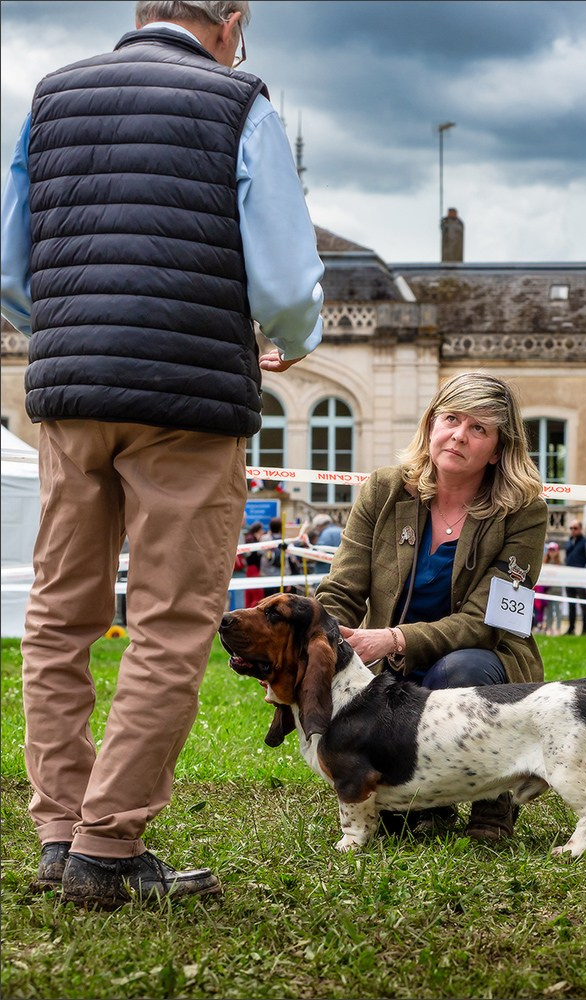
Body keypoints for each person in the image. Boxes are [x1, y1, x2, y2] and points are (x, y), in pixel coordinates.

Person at [0, 0, 323, 908]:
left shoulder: (49, 97)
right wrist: (292, 339)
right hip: (187, 396)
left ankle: (60, 832)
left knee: (59, 618)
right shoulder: (239, 101)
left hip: (71, 394)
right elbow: (288, 280)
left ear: (141, 13)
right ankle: (107, 848)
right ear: (230, 20)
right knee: (170, 623)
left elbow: (11, 271)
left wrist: (66, 329)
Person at [316, 371, 547, 841]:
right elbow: (341, 591)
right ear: (430, 425)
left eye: (478, 428)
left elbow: (493, 619)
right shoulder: (384, 490)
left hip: (480, 663)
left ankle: (491, 806)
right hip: (390, 678)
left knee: (460, 671)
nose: (459, 435)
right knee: (400, 826)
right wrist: (311, 647)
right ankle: (428, 803)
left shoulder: (525, 511)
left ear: (499, 449)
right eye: (451, 418)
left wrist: (396, 638)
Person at [564, 519, 586, 635]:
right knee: (571, 604)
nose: (573, 531)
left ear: (580, 529)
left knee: (583, 604)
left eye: (575, 528)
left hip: (581, 578)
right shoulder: (569, 542)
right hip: (569, 578)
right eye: (571, 528)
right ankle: (571, 628)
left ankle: (585, 629)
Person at [542, 542, 563, 636]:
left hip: (557, 590)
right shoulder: (545, 563)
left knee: (558, 610)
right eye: (550, 550)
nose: (551, 552)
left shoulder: (560, 564)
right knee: (549, 610)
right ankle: (549, 628)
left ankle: (558, 628)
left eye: (553, 550)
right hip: (548, 590)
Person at [243, 521, 265, 609]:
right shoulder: (253, 540)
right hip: (253, 569)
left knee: (249, 595)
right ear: (258, 530)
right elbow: (254, 556)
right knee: (257, 595)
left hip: (249, 569)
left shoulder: (248, 538)